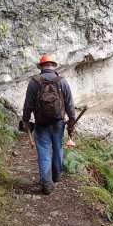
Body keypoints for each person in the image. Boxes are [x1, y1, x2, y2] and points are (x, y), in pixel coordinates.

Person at [22, 53, 76, 195]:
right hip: (58, 122)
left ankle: (46, 184)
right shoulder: (62, 81)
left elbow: (28, 104)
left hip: (41, 123)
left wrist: (25, 120)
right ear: (53, 66)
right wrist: (72, 119)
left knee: (44, 152)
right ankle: (57, 175)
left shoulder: (34, 82)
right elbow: (69, 102)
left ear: (41, 67)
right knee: (58, 147)